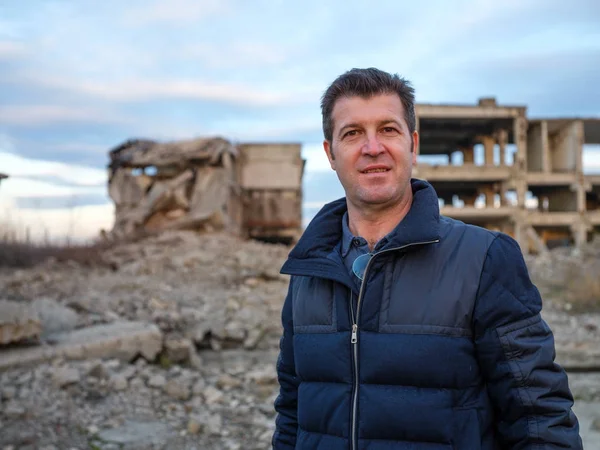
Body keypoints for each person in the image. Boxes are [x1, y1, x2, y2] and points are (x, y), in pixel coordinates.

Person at [272, 68, 582, 449]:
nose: (372, 147)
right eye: (352, 133)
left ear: (413, 144)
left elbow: (539, 418)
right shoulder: (308, 270)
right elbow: (291, 412)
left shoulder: (482, 258)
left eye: (388, 129)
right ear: (330, 153)